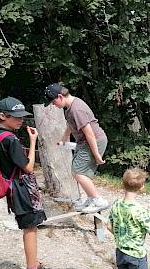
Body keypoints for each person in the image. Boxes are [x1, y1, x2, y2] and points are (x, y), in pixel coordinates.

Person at [0, 97, 47, 269]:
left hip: (10, 185)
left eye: (22, 116)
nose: (20, 120)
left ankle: (34, 263)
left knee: (28, 226)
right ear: (3, 116)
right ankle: (33, 266)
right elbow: (28, 167)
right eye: (15, 117)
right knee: (30, 228)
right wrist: (33, 141)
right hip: (21, 188)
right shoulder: (11, 140)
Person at [44, 82, 109, 213]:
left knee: (78, 173)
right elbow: (70, 124)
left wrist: (96, 155)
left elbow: (89, 133)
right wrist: (64, 138)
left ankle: (99, 201)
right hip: (84, 143)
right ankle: (91, 199)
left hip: (93, 142)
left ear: (60, 97)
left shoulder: (76, 109)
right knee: (79, 172)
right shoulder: (69, 107)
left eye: (53, 102)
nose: (53, 105)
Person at [108, 168, 150, 269]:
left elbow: (109, 226)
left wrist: (121, 237)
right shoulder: (141, 210)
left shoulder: (116, 204)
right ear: (141, 187)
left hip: (120, 252)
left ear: (123, 185)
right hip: (136, 255)